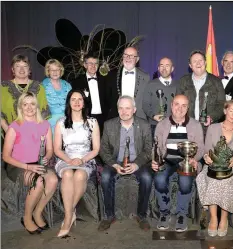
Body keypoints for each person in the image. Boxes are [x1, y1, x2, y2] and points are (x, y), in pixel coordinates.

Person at [2, 92, 58, 234]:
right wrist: (28, 167)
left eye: (32, 104)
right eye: (25, 104)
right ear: (20, 107)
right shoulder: (14, 126)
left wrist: (47, 156)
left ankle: (37, 212)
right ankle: (27, 218)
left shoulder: (45, 125)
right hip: (18, 165)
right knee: (38, 181)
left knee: (52, 180)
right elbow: (6, 156)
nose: (29, 107)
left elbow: (50, 149)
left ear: (37, 106)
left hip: (38, 163)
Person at [196, 99, 233, 237]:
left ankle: (224, 219)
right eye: (231, 111)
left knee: (227, 183)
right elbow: (207, 149)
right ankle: (214, 218)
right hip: (213, 166)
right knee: (213, 181)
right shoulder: (213, 128)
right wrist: (206, 157)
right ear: (225, 110)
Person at [98, 95, 153, 231]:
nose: (124, 112)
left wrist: (137, 164)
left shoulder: (144, 125)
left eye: (127, 108)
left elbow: (148, 149)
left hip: (137, 161)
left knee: (147, 177)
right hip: (116, 161)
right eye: (121, 108)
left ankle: (142, 216)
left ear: (134, 109)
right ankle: (109, 216)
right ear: (117, 110)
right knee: (105, 177)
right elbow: (103, 150)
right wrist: (114, 164)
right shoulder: (109, 125)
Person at [152, 94, 204, 232]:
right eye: (177, 104)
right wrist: (156, 160)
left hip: (186, 161)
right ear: (171, 106)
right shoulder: (162, 125)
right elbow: (156, 147)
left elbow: (201, 148)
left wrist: (195, 159)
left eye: (184, 105)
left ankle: (182, 214)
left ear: (188, 108)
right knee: (159, 179)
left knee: (185, 182)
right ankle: (164, 212)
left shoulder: (195, 125)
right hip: (167, 160)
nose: (179, 108)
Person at [54, 89, 100, 238]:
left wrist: (82, 160)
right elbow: (57, 149)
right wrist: (69, 160)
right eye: (73, 99)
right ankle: (70, 215)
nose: (76, 102)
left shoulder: (92, 122)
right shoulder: (61, 123)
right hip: (65, 157)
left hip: (86, 157)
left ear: (84, 102)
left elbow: (96, 149)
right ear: (69, 102)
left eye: (80, 99)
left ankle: (68, 216)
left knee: (80, 175)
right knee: (67, 173)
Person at [1, 54, 50, 134]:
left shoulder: (39, 86)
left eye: (25, 66)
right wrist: (9, 132)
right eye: (17, 66)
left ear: (29, 69)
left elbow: (44, 113)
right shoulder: (3, 87)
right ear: (13, 69)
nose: (21, 69)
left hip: (35, 133)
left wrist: (36, 132)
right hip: (9, 133)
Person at [176, 50, 225, 127]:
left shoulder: (216, 81)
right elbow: (177, 103)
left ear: (205, 62)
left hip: (209, 128)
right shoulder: (183, 81)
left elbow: (222, 104)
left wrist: (212, 117)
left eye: (200, 60)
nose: (198, 63)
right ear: (190, 65)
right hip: (187, 126)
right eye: (194, 61)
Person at [71, 53, 112, 135]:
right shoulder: (77, 82)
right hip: (86, 118)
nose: (93, 66)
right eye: (90, 63)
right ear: (85, 65)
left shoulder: (106, 80)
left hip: (104, 119)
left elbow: (110, 98)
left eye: (95, 63)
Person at [108, 46, 150, 120]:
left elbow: (147, 100)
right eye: (126, 55)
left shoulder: (145, 77)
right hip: (117, 118)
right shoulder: (112, 75)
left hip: (139, 118)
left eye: (131, 56)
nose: (128, 58)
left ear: (137, 59)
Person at [142, 57, 178, 137]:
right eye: (161, 65)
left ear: (172, 69)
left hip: (174, 126)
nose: (164, 68)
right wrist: (153, 116)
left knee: (173, 149)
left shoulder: (178, 85)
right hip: (155, 126)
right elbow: (145, 104)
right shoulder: (150, 84)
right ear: (158, 68)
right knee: (156, 149)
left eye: (167, 65)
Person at [42, 59, 72, 135]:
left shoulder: (67, 85)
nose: (55, 72)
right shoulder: (43, 85)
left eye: (57, 69)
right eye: (52, 70)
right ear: (48, 71)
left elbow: (72, 104)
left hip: (67, 121)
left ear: (61, 70)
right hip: (50, 122)